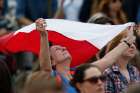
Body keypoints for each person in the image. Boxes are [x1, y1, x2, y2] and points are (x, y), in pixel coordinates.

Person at [104, 29, 140, 93]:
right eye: (127, 43)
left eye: (134, 43)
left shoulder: (135, 70)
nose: (132, 46)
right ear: (115, 46)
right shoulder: (107, 72)